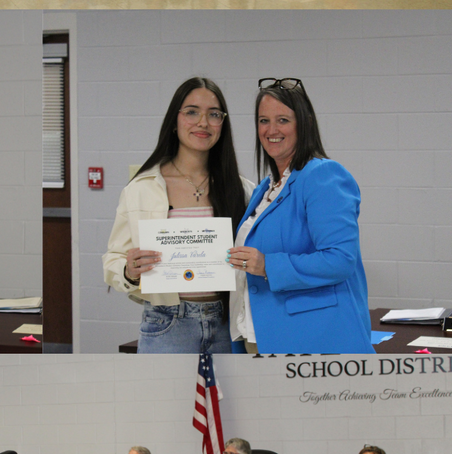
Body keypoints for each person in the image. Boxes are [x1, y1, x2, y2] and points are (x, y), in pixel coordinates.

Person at [103, 77, 253, 353]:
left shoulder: (242, 189)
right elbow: (113, 260)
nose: (203, 123)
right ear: (174, 121)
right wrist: (128, 270)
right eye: (192, 112)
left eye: (214, 114)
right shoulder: (142, 188)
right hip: (167, 323)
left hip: (229, 323)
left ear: (223, 124)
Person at [228, 78, 373, 354]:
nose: (271, 130)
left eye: (282, 120)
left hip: (312, 342)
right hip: (260, 337)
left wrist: (268, 265)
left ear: (304, 124)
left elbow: (340, 259)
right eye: (263, 121)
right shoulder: (264, 188)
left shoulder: (322, 175)